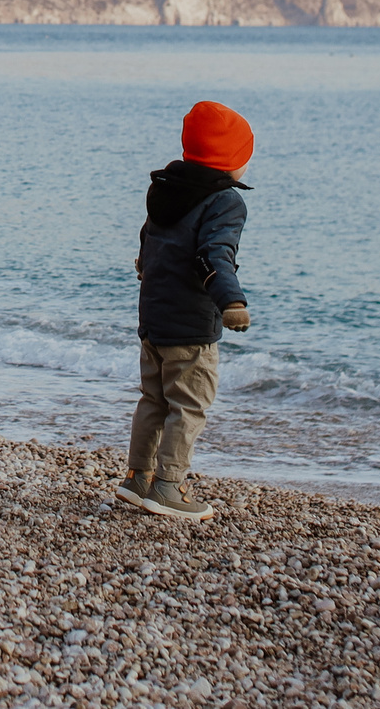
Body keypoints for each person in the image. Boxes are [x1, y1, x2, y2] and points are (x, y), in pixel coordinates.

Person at [118, 100, 253, 522]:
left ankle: (138, 477)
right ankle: (168, 487)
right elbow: (215, 255)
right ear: (230, 161)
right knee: (189, 405)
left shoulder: (166, 188)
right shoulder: (225, 202)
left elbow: (150, 240)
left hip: (154, 317)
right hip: (192, 326)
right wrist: (231, 302)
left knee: (154, 398)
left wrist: (145, 268)